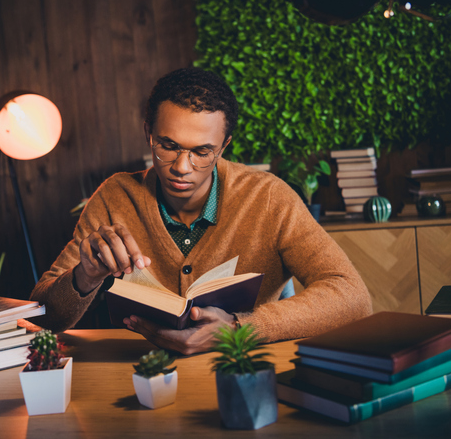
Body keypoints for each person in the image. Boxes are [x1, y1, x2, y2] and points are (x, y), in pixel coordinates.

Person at [30, 67, 372, 355]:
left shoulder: (268, 198)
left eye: (202, 152)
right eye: (169, 146)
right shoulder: (115, 197)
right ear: (149, 133)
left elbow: (352, 296)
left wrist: (240, 328)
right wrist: (84, 276)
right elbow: (42, 318)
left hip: (240, 369)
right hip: (141, 378)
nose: (182, 166)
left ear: (224, 146)